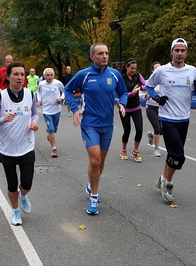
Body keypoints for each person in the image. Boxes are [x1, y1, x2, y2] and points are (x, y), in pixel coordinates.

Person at [64, 42, 128, 215]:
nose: (105, 56)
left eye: (106, 53)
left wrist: (122, 103)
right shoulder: (83, 75)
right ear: (92, 56)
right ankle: (94, 196)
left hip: (108, 124)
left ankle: (91, 185)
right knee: (95, 160)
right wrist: (75, 109)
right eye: (100, 53)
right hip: (90, 123)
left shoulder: (114, 75)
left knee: (102, 161)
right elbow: (68, 89)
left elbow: (123, 92)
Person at [146, 38, 196, 203]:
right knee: (178, 155)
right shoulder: (162, 71)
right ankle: (168, 184)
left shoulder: (192, 70)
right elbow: (148, 86)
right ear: (171, 52)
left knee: (173, 154)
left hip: (184, 118)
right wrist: (157, 98)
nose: (179, 53)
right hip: (167, 117)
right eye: (176, 50)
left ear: (186, 52)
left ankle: (162, 179)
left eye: (182, 50)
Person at [0, 62, 39, 226]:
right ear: (8, 77)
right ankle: (16, 212)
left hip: (26, 146)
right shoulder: (1, 97)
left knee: (27, 183)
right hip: (7, 149)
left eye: (22, 74)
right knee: (11, 184)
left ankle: (23, 196)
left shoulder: (30, 94)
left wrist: (34, 123)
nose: (19, 77)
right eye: (15, 74)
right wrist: (3, 119)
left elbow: (35, 114)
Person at [119, 58, 146, 163]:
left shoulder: (138, 76)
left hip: (136, 107)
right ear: (126, 67)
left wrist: (141, 88)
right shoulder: (121, 78)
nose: (133, 70)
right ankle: (123, 150)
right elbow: (120, 93)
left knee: (139, 129)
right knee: (127, 130)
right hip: (125, 108)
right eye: (131, 68)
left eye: (135, 68)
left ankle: (135, 150)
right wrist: (132, 93)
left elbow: (145, 85)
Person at [37, 68, 65, 158]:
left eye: (51, 75)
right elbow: (38, 93)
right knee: (51, 129)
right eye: (47, 75)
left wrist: (61, 98)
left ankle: (50, 134)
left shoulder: (58, 83)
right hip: (46, 111)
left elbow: (65, 92)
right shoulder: (41, 84)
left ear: (54, 75)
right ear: (44, 76)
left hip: (57, 109)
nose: (49, 77)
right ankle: (54, 149)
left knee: (54, 130)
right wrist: (39, 101)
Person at [145, 62, 163, 157]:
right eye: (156, 68)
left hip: (162, 108)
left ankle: (152, 135)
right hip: (151, 107)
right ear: (152, 70)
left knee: (162, 130)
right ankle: (156, 149)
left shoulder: (164, 81)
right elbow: (139, 92)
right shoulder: (148, 82)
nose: (158, 70)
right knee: (157, 128)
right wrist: (145, 95)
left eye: (160, 68)